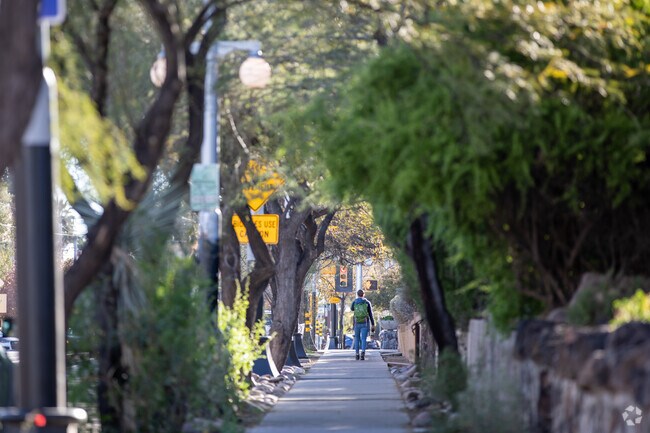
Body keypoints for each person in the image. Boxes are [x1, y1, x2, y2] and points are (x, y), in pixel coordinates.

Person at [350, 289, 375, 360]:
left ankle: (357, 354)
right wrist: (373, 324)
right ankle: (363, 353)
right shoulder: (367, 302)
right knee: (364, 339)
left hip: (357, 322)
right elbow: (370, 314)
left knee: (357, 339)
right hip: (365, 322)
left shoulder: (354, 302)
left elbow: (352, 309)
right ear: (363, 294)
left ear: (357, 294)